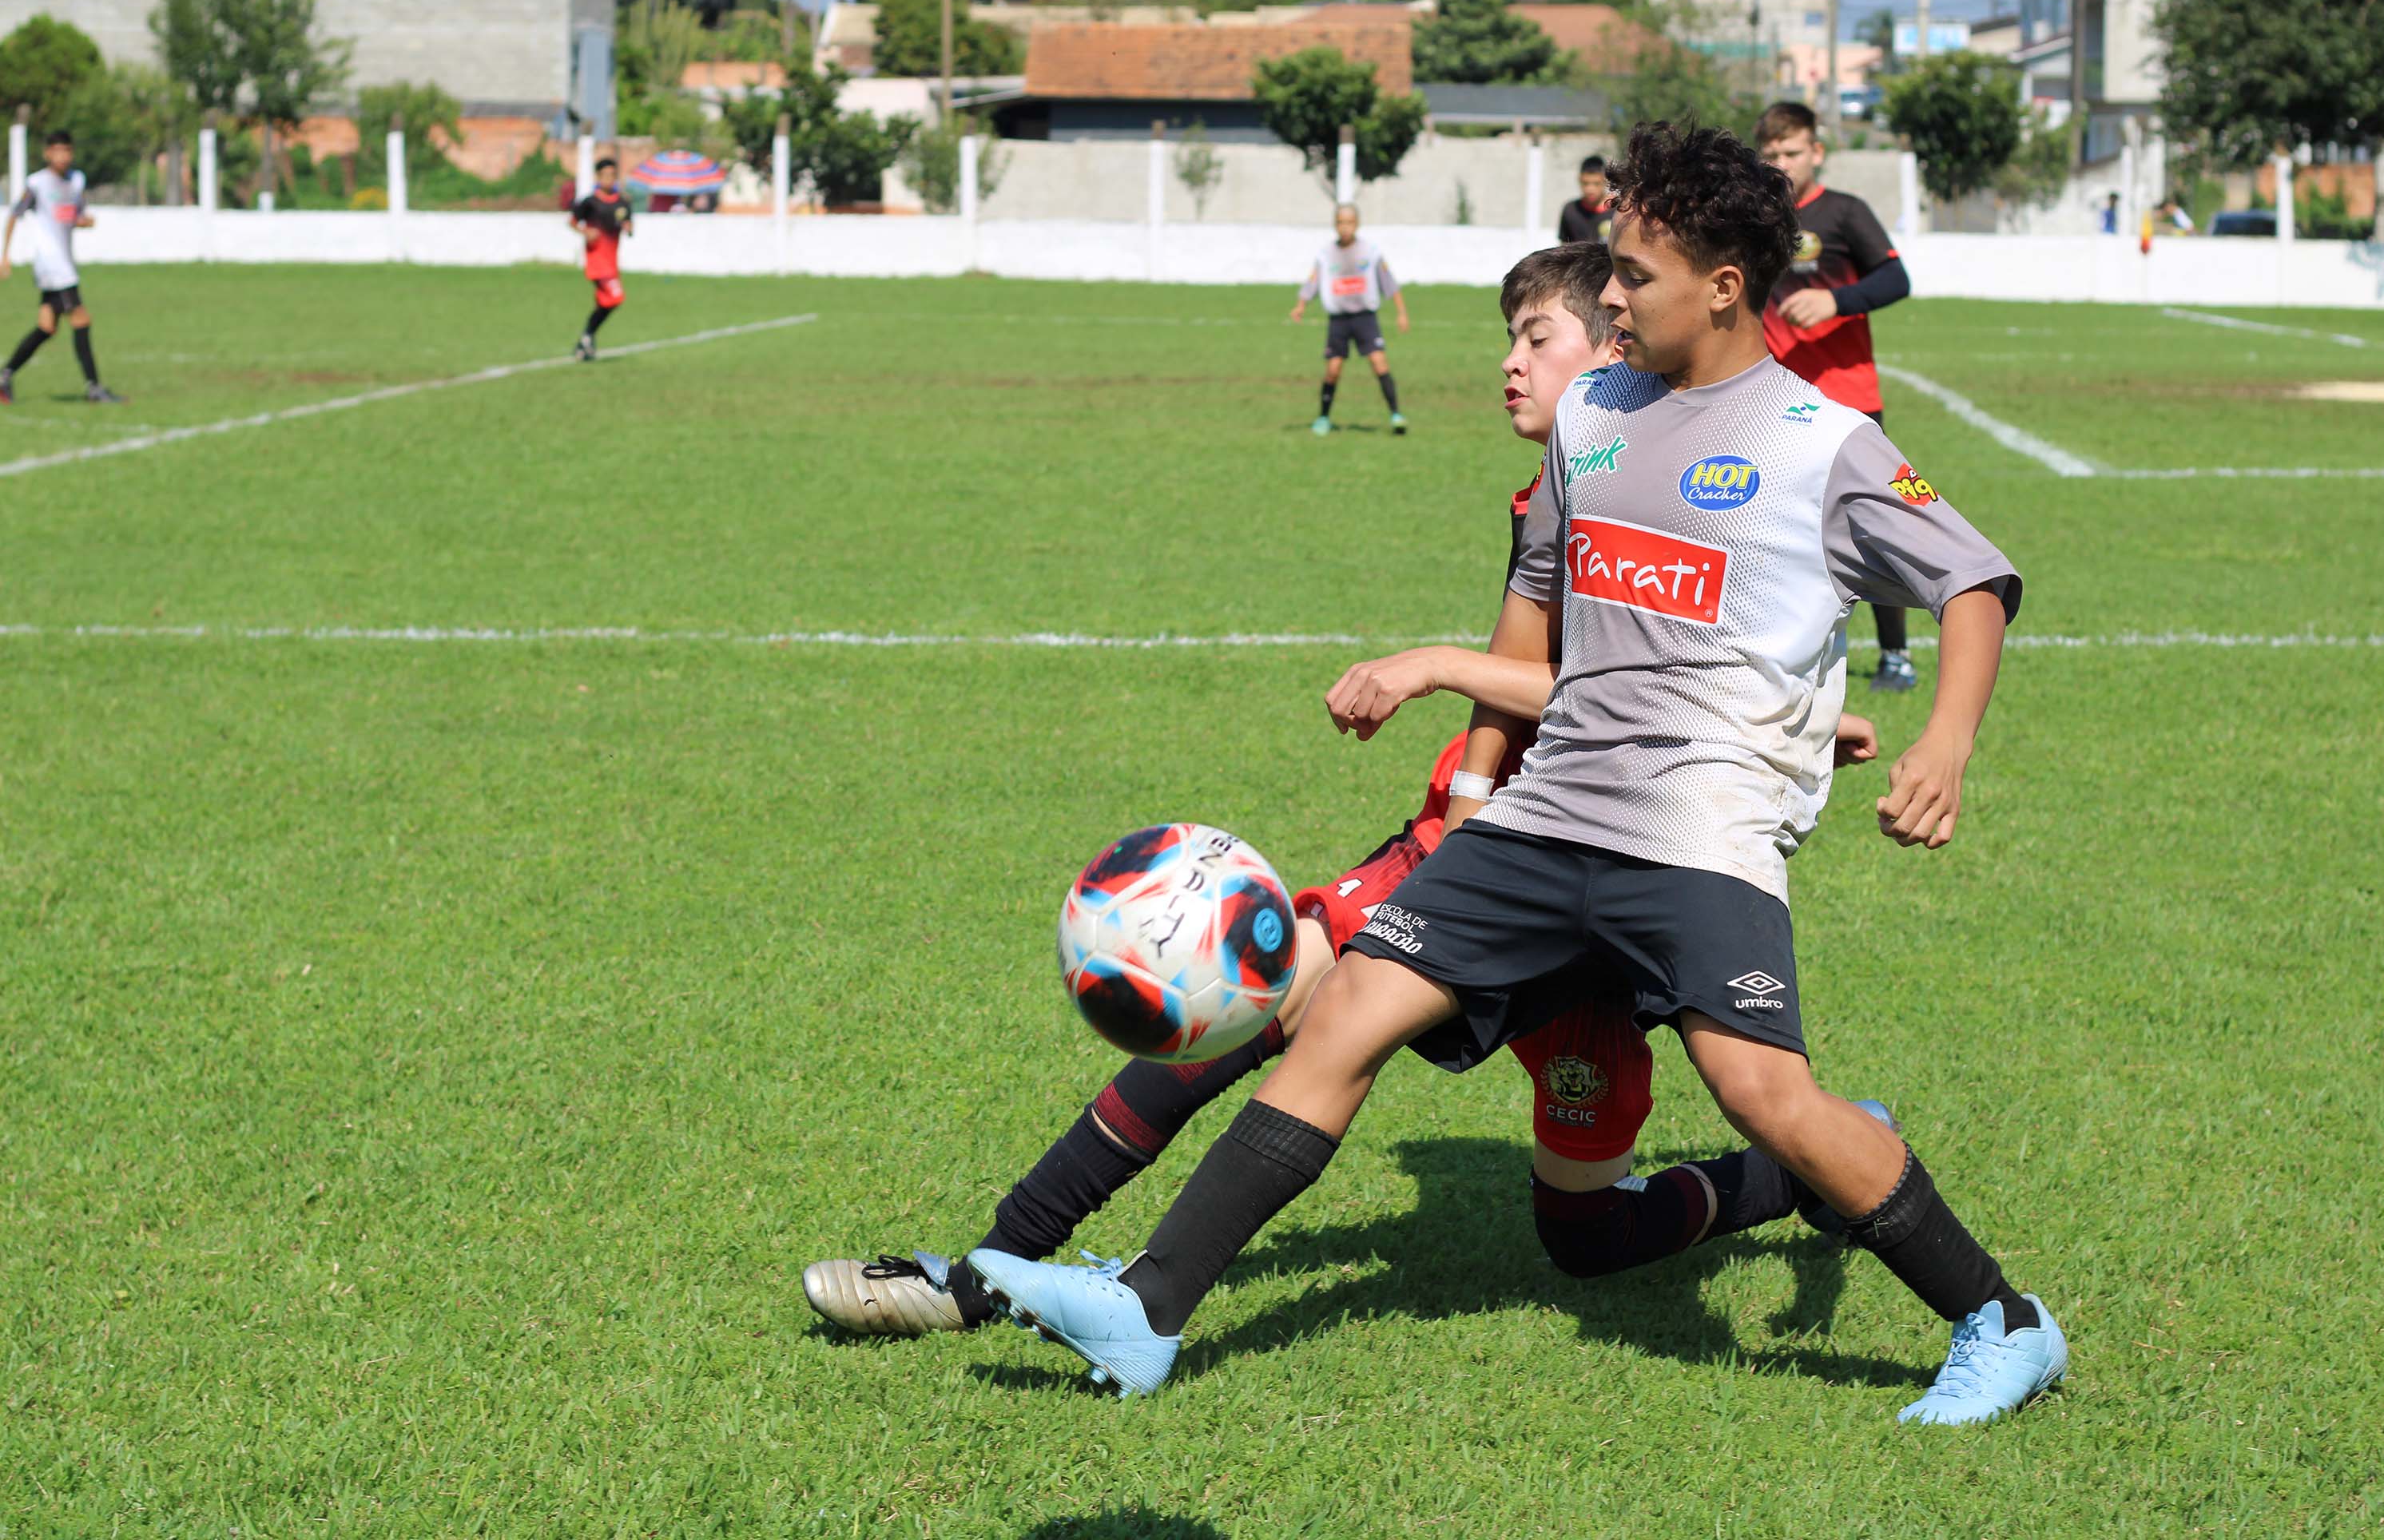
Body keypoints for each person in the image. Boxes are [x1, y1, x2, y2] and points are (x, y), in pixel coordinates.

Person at [968, 122, 2067, 1428]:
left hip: (1701, 830)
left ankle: (2003, 1322)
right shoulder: (1594, 414)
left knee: (1763, 1093)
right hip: (1546, 818)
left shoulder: (1819, 440)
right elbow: (1545, 593)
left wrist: (1942, 744)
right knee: (1349, 1010)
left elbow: (1976, 580)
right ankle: (1153, 1306)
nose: (1611, 298)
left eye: (1638, 276)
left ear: (1724, 285)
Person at [802, 240, 1885, 1340]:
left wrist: (1449, 665)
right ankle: (987, 1273)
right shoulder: (1555, 485)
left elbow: (1657, 675)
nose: (1509, 364)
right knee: (1259, 998)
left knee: (1585, 1234)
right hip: (1491, 843)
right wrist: (1465, 807)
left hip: (1632, 865)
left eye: (1535, 338)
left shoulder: (1685, 478)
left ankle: (1804, 1174)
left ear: (1617, 349)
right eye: (1507, 339)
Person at [1755, 101, 1919, 692]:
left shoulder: (1846, 213)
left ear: (1816, 152)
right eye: (1770, 155)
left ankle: (1896, 654)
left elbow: (1896, 279)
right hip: (1772, 396)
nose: (1781, 164)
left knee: (1872, 521)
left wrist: (1835, 302)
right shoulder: (1750, 220)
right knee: (1771, 521)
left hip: (1848, 394)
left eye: (1792, 152)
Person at [0, 130, 121, 407]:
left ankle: (5, 376)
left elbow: (72, 216)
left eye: (67, 151)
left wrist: (83, 221)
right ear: (47, 154)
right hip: (52, 264)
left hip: (64, 261)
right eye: (57, 151)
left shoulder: (76, 181)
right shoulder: (38, 184)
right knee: (81, 319)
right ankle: (94, 388)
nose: (62, 156)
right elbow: (15, 215)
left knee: (46, 327)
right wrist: (4, 256)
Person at [1291, 204, 1409, 437]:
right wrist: (1301, 305)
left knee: (1379, 364)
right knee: (1333, 370)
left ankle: (1396, 415)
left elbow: (1389, 282)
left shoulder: (1370, 252)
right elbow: (1313, 281)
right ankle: (1323, 418)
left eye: (1349, 222)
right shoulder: (1326, 255)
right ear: (1335, 225)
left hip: (1365, 318)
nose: (1345, 227)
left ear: (1356, 224)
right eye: (1340, 223)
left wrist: (1401, 312)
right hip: (1339, 321)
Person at [569, 158, 634, 362]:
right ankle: (588, 336)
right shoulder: (590, 202)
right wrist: (585, 231)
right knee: (616, 297)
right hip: (597, 260)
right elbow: (572, 222)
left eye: (613, 175)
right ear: (598, 177)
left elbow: (629, 225)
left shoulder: (623, 202)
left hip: (612, 261)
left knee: (607, 301)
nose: (609, 179)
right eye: (605, 175)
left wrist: (628, 228)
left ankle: (586, 341)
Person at [1556, 154, 1612, 244]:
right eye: (1586, 183)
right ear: (1579, 180)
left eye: (1596, 184)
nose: (1590, 189)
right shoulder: (1570, 210)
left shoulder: (1617, 211)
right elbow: (1563, 247)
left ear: (1605, 182)